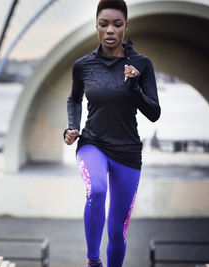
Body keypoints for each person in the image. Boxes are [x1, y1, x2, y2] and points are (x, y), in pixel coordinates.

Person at [63, 1, 161, 266]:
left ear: (126, 27)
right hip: (92, 143)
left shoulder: (142, 64)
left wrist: (134, 87)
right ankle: (93, 261)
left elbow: (154, 112)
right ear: (96, 27)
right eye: (104, 24)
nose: (110, 30)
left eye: (117, 25)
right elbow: (74, 100)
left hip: (127, 151)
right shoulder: (83, 66)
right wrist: (72, 127)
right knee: (96, 189)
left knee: (118, 230)